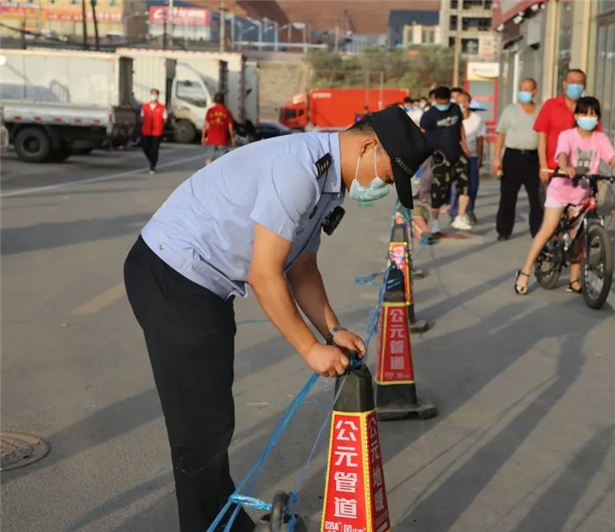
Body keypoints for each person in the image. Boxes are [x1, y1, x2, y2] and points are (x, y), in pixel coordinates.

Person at [123, 106, 431, 532]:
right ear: (367, 146)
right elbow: (265, 274)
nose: (382, 186)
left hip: (203, 287)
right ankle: (208, 525)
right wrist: (310, 349)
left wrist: (333, 331)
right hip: (173, 276)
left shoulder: (328, 183)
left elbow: (301, 267)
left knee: (211, 420)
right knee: (200, 427)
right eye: (389, 175)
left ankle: (222, 523)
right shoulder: (298, 170)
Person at [514, 96, 615, 295]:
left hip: (582, 193)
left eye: (593, 114)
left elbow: (612, 158)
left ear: (598, 118)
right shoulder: (568, 136)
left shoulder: (600, 138)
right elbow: (562, 154)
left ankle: (574, 280)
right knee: (549, 228)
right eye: (584, 113)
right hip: (561, 190)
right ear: (577, 115)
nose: (589, 118)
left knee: (578, 236)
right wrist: (565, 167)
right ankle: (525, 271)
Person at [494, 78, 542, 241]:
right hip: (513, 157)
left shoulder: (540, 110)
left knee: (537, 198)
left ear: (534, 92)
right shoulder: (510, 110)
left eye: (527, 90)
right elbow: (501, 134)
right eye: (522, 89)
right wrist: (497, 158)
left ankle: (538, 232)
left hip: (534, 158)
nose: (524, 92)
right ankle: (504, 230)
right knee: (508, 197)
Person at [419, 86, 472, 233]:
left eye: (446, 102)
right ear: (435, 100)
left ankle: (460, 217)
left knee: (465, 185)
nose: (444, 105)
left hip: (457, 153)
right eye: (441, 103)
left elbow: (460, 127)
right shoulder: (429, 115)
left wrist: (465, 146)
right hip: (440, 157)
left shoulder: (455, 109)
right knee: (438, 192)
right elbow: (421, 134)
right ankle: (435, 222)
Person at [535, 69, 598, 185]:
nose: (576, 86)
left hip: (581, 171)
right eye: (572, 82)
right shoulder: (550, 105)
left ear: (584, 86)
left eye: (579, 83)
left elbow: (597, 140)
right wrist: (543, 165)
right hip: (553, 169)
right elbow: (542, 136)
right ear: (565, 84)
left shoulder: (589, 109)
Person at [449, 91, 486, 224]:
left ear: (469, 103)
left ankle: (469, 210)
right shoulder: (452, 118)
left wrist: (480, 157)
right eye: (458, 102)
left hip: (472, 156)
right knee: (456, 187)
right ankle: (455, 214)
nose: (461, 105)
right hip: (456, 157)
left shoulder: (477, 119)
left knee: (472, 186)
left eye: (463, 102)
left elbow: (480, 140)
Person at [202, 92, 237, 165]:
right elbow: (230, 127)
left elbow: (205, 125)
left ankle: (208, 170)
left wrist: (203, 138)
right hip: (222, 139)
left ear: (214, 100)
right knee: (223, 158)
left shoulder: (210, 111)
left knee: (209, 158)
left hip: (211, 139)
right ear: (223, 100)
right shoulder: (227, 111)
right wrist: (232, 138)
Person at [141, 88, 168, 175]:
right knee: (145, 148)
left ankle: (152, 166)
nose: (153, 95)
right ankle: (152, 160)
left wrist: (160, 125)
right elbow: (142, 117)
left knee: (154, 149)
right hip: (146, 131)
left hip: (157, 132)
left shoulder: (162, 107)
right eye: (152, 94)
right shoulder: (145, 106)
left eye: (155, 94)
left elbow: (165, 119)